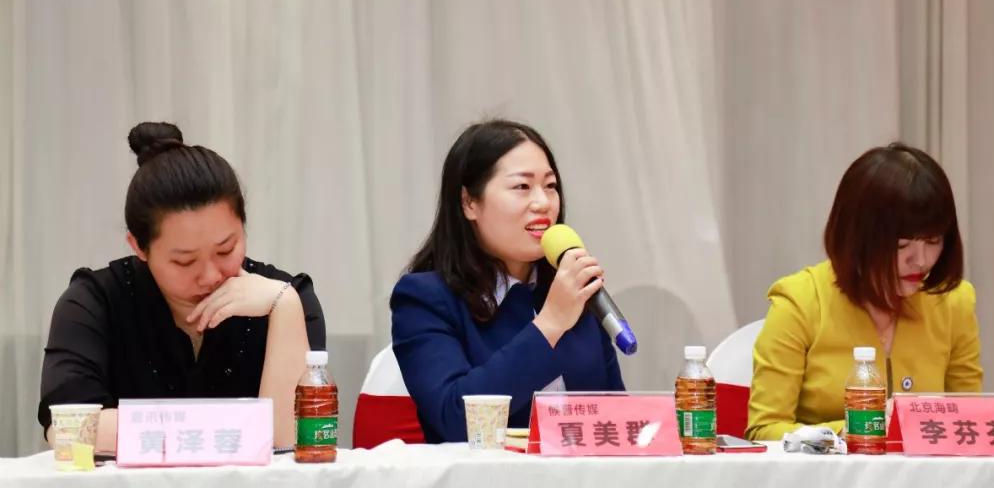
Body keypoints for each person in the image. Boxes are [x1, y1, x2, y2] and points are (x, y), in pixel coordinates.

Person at [38, 122, 325, 450]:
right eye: (185, 261)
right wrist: (239, 429)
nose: (210, 275)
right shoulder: (94, 302)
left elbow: (292, 444)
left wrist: (285, 307)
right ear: (139, 247)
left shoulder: (286, 297)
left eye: (226, 249)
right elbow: (68, 430)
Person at [391, 119, 624, 443]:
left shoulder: (573, 292)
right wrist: (550, 324)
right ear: (469, 203)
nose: (543, 202)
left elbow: (617, 421)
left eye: (551, 186)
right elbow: (455, 419)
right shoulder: (425, 299)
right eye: (522, 187)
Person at [746, 142, 983, 441]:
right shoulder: (800, 302)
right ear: (856, 239)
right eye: (902, 245)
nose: (921, 260)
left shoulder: (954, 302)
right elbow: (764, 430)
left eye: (933, 241)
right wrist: (847, 432)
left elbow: (970, 422)